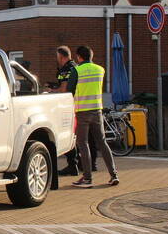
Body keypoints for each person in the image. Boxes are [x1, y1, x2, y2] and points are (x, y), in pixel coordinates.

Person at [67, 45, 118, 188]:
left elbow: (70, 91)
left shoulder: (76, 70)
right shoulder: (100, 70)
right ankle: (113, 175)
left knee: (83, 144)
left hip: (82, 111)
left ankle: (88, 178)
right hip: (97, 110)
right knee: (102, 142)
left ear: (79, 57)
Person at [50, 46, 95, 176]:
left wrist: (51, 91)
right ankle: (80, 165)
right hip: (84, 106)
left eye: (57, 57)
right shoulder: (75, 66)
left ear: (61, 56)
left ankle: (73, 165)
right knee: (85, 138)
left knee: (70, 135)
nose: (56, 59)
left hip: (69, 106)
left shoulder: (66, 69)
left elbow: (64, 90)